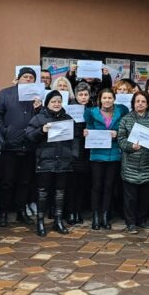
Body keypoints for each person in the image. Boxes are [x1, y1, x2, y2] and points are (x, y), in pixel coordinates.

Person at [0, 67, 43, 227]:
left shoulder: (38, 96)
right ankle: (3, 212)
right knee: (7, 182)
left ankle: (21, 212)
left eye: (31, 77)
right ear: (18, 78)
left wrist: (39, 108)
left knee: (25, 181)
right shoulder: (6, 93)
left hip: (29, 145)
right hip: (10, 146)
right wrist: (5, 132)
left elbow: (43, 118)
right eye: (25, 76)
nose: (28, 79)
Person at [24, 90, 76, 236]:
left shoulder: (68, 118)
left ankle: (58, 221)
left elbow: (75, 139)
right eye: (53, 101)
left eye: (59, 101)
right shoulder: (38, 118)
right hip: (45, 161)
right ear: (47, 103)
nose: (56, 104)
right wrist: (42, 130)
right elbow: (29, 136)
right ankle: (40, 222)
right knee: (43, 193)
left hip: (63, 161)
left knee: (60, 193)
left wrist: (72, 155)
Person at [117, 91, 149, 234]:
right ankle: (130, 223)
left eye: (143, 101)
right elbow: (121, 139)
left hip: (148, 163)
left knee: (145, 197)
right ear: (133, 103)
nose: (140, 104)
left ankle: (142, 220)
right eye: (137, 101)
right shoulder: (126, 119)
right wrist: (131, 146)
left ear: (147, 104)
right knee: (130, 198)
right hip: (130, 164)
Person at [84, 88, 127, 230]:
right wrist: (87, 133)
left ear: (114, 99)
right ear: (100, 99)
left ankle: (105, 215)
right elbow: (89, 128)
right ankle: (96, 216)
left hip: (114, 153)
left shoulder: (121, 111)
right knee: (97, 186)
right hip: (97, 153)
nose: (107, 100)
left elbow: (125, 129)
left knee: (109, 186)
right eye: (104, 98)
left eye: (110, 98)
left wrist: (118, 133)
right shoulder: (92, 112)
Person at [65, 82, 93, 225]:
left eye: (85, 94)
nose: (83, 97)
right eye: (80, 94)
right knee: (72, 183)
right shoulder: (69, 109)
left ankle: (78, 211)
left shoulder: (92, 109)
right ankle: (70, 212)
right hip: (73, 150)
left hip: (87, 150)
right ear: (75, 96)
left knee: (82, 183)